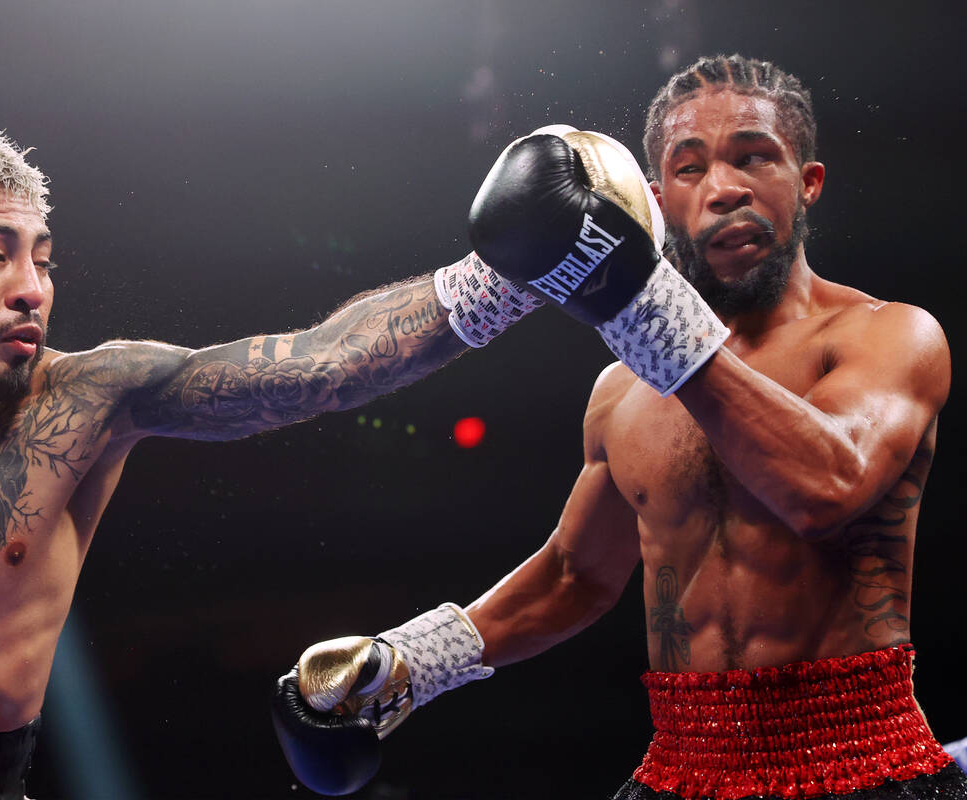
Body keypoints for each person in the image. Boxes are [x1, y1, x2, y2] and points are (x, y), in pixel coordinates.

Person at [0, 129, 544, 799]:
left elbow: (324, 365)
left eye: (41, 259)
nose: (31, 290)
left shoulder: (90, 399)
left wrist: (512, 274)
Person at [273, 54, 966, 799]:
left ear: (808, 182)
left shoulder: (887, 337)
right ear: (659, 202)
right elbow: (576, 575)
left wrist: (641, 305)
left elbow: (827, 487)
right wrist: (411, 658)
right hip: (678, 770)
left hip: (860, 762)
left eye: (754, 157)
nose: (726, 189)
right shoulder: (620, 393)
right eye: (691, 168)